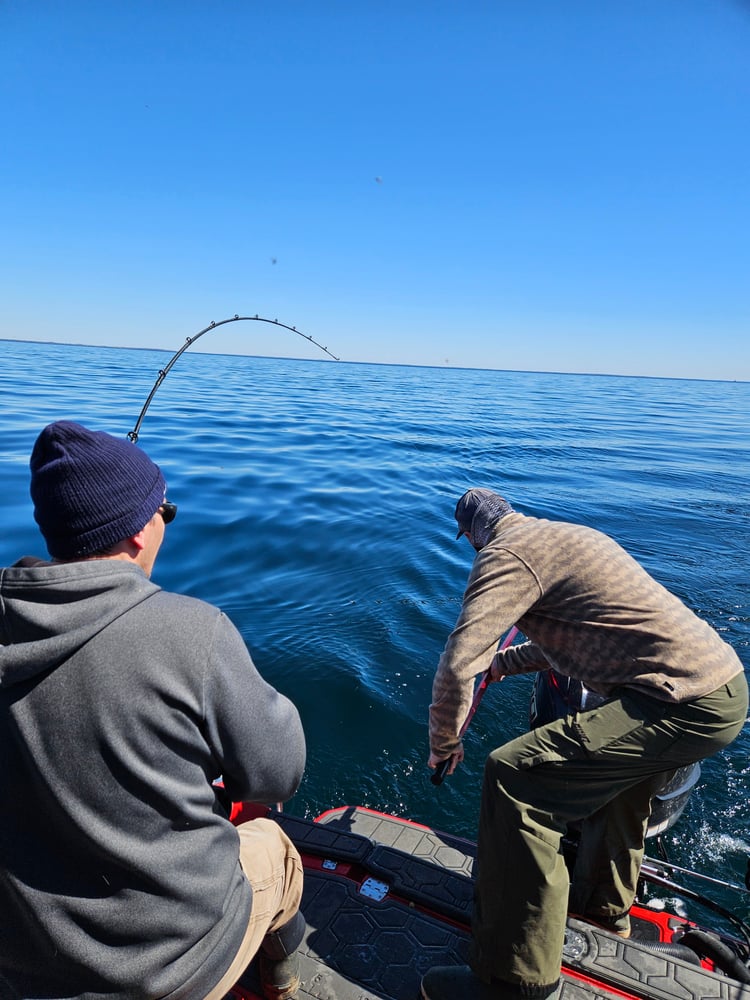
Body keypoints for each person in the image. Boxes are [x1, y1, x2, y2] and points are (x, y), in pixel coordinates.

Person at [0, 420, 307, 1000]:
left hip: (21, 970)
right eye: (163, 510)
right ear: (141, 532)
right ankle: (280, 986)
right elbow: (280, 770)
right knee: (276, 847)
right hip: (164, 972)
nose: (164, 521)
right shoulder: (195, 634)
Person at [422, 488, 748, 1000]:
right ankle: (604, 911)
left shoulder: (503, 556)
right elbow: (579, 635)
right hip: (719, 687)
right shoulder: (568, 536)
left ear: (472, 535)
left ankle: (514, 983)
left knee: (516, 778)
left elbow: (461, 658)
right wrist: (505, 664)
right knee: (620, 793)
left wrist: (443, 740)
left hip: (679, 700)